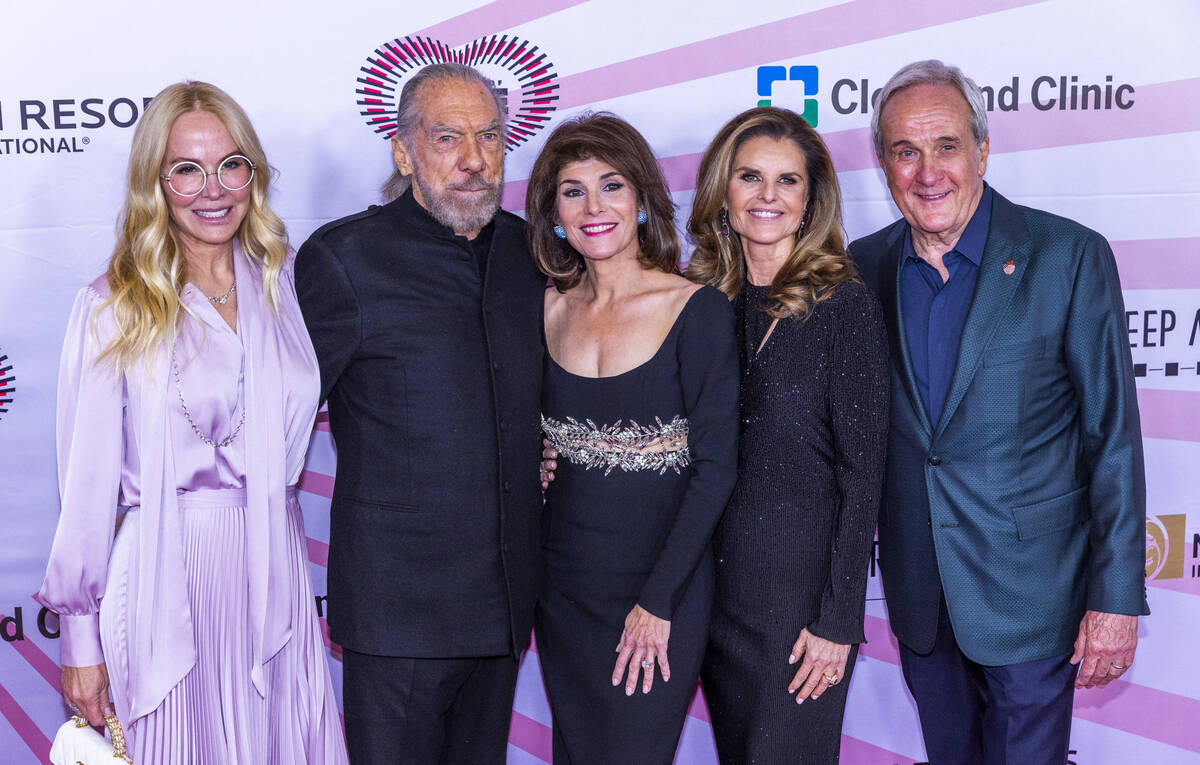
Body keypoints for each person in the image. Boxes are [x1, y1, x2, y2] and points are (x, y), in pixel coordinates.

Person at [35, 81, 347, 763]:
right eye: (187, 169)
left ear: (253, 175)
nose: (214, 188)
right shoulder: (113, 306)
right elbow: (85, 491)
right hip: (161, 579)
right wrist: (80, 642)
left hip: (276, 576)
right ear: (156, 182)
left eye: (231, 164)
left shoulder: (290, 283)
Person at [848, 59, 1147, 764]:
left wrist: (1116, 599)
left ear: (982, 150)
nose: (928, 172)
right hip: (923, 598)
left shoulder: (1068, 257)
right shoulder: (862, 268)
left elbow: (1112, 437)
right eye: (905, 151)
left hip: (1035, 596)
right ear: (883, 165)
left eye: (947, 146)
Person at [294, 62, 544, 764]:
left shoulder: (532, 253)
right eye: (447, 138)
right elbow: (274, 416)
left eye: (490, 137)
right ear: (404, 153)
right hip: (398, 615)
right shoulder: (344, 259)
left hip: (503, 605)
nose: (474, 160)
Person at [526, 113, 738, 764]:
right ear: (553, 211)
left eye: (611, 184)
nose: (594, 207)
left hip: (658, 595)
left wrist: (657, 601)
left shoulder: (694, 310)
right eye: (573, 189)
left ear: (642, 198)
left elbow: (716, 469)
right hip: (563, 593)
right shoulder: (544, 307)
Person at [685, 106, 890, 763]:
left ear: (810, 201)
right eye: (750, 176)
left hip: (798, 614)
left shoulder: (843, 307)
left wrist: (837, 621)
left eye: (787, 181)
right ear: (723, 193)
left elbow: (864, 481)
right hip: (711, 603)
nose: (768, 195)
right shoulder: (697, 304)